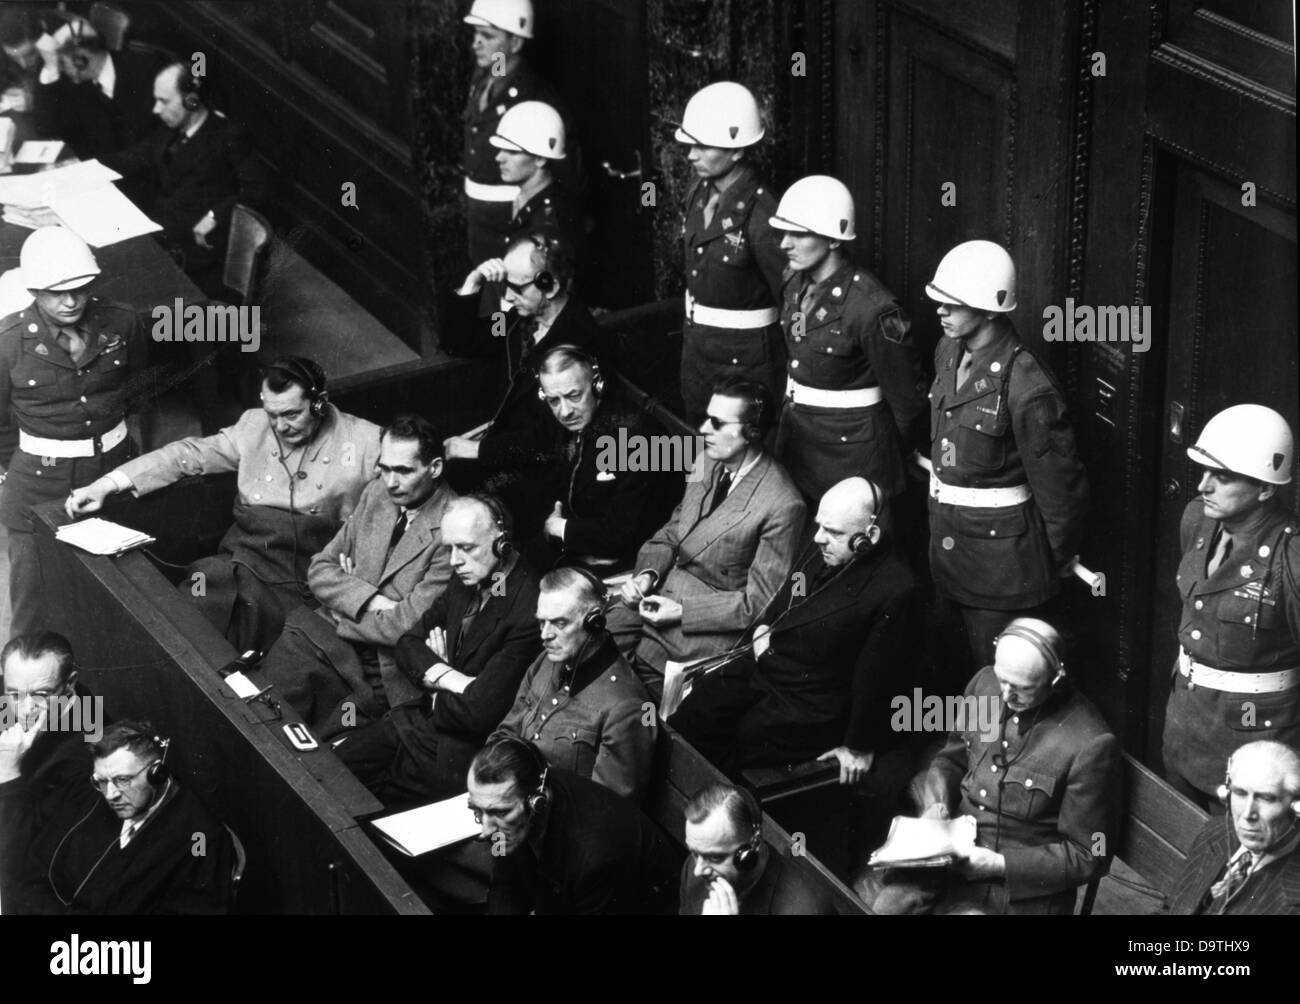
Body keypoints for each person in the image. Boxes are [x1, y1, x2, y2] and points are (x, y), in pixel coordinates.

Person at [65, 357, 382, 653]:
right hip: (242, 553)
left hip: (302, 571)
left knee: (262, 634)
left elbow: (401, 514)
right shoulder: (253, 425)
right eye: (272, 414)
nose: (280, 427)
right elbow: (188, 455)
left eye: (291, 414)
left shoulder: (367, 443)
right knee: (192, 605)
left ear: (319, 403)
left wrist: (361, 577)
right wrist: (106, 484)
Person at [859, 619, 1121, 914]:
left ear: (1056, 679)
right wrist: (938, 805)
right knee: (881, 908)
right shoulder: (985, 684)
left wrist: (999, 864)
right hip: (951, 856)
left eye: (1022, 688)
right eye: (1003, 679)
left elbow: (1089, 856)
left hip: (1017, 889)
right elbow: (952, 758)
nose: (1006, 696)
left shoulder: (1090, 743)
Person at [670, 477, 916, 777]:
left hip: (808, 706)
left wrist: (857, 746)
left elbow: (875, 680)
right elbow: (788, 596)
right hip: (767, 666)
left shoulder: (897, 589)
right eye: (820, 526)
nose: (818, 538)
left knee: (731, 741)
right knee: (694, 712)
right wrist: (763, 628)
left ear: (869, 535)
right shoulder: (828, 545)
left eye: (833, 532)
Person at [924, 240, 1089, 678]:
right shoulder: (948, 351)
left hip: (1003, 572)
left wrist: (1040, 566)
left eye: (954, 303)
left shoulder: (1027, 386)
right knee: (953, 670)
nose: (941, 310)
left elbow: (1062, 497)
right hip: (950, 549)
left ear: (991, 308)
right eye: (941, 300)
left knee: (998, 681)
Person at [605, 377, 805, 699]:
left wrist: (682, 611)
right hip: (653, 596)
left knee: (627, 698)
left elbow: (758, 604)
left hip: (703, 627)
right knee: (585, 649)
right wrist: (646, 575)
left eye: (716, 422)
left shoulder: (782, 504)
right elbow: (674, 530)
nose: (702, 429)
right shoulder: (706, 460)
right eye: (705, 417)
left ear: (752, 432)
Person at [337, 494, 541, 807]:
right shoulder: (466, 578)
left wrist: (434, 689)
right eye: (450, 548)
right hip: (417, 721)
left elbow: (480, 713)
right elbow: (407, 643)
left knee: (372, 808)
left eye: (467, 548)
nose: (455, 560)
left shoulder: (528, 609)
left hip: (458, 752)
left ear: (502, 542)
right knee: (334, 770)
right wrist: (450, 676)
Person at [260, 416, 457, 739]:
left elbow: (406, 626)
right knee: (268, 699)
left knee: (310, 737)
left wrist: (346, 603)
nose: (390, 481)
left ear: (434, 468)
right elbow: (320, 570)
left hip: (384, 668)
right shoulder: (377, 492)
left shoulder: (455, 525)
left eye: (404, 471)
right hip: (328, 638)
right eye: (385, 467)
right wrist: (375, 600)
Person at [0, 227, 147, 635]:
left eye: (80, 289)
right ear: (33, 290)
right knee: (31, 598)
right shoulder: (7, 343)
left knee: (124, 584)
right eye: (55, 292)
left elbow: (138, 391)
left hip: (113, 467)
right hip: (39, 481)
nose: (70, 301)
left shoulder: (123, 322)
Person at [1161, 405, 1300, 807]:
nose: (1204, 486)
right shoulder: (1197, 521)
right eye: (1205, 472)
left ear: (1265, 488)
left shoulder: (1289, 558)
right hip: (1185, 723)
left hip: (1253, 740)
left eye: (1222, 477)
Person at [769, 176, 926, 502]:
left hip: (851, 455)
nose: (784, 244)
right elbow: (799, 344)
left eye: (798, 234)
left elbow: (908, 404)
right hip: (798, 441)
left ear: (834, 240)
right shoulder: (794, 285)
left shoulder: (873, 308)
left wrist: (885, 454)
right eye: (783, 233)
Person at [444, 235, 607, 533]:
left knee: (451, 477)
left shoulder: (577, 342)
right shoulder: (522, 319)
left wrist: (477, 451)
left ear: (551, 286)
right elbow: (463, 342)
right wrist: (474, 283)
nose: (508, 295)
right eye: (505, 284)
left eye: (516, 287)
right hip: (509, 446)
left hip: (546, 469)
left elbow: (548, 438)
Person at [18, 721, 234, 914]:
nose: (110, 794)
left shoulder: (202, 838)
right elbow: (37, 868)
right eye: (101, 781)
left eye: (123, 780)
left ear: (156, 773)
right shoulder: (94, 795)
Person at [102, 62, 272, 292]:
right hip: (160, 229)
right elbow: (138, 155)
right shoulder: (172, 129)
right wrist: (86, 165)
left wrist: (215, 215)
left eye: (164, 101)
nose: (155, 109)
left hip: (195, 249)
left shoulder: (228, 135)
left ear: (191, 100)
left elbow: (260, 190)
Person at [673, 81, 786, 424]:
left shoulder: (763, 214)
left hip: (746, 360)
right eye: (691, 144)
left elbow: (792, 297)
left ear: (738, 151)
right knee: (700, 448)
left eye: (703, 146)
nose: (691, 155)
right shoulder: (698, 191)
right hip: (698, 353)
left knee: (746, 452)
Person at [494, 566, 656, 801]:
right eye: (542, 622)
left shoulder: (626, 706)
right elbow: (507, 731)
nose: (545, 635)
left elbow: (602, 811)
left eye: (559, 623)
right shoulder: (548, 661)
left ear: (594, 622)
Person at [469, 735, 680, 914]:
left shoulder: (595, 857)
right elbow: (507, 885)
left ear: (538, 800)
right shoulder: (522, 802)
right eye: (477, 810)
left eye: (500, 812)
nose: (486, 830)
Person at [525, 344, 673, 575]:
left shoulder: (637, 437)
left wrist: (561, 528)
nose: (565, 412)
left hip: (631, 562)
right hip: (579, 545)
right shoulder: (572, 421)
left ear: (598, 385)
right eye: (553, 400)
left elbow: (629, 534)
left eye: (574, 396)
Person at [461, 0, 563, 267]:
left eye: (488, 36)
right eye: (476, 34)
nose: (476, 44)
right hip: (478, 215)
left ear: (515, 43)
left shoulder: (534, 98)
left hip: (509, 218)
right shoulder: (484, 79)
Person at [0, 633, 94, 911]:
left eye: (41, 696)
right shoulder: (13, 699)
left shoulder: (88, 754)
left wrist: (8, 774)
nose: (25, 709)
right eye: (13, 693)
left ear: (70, 684)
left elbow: (17, 862)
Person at [1168, 741, 1300, 915]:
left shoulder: (1293, 900)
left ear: (1296, 806)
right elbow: (1170, 907)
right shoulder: (1215, 832)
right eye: (1240, 793)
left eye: (1266, 798)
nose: (1247, 813)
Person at [679, 783, 835, 915]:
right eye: (694, 853)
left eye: (715, 857)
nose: (698, 870)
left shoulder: (806, 909)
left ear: (753, 842)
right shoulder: (693, 872)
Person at [33, 17, 160, 159]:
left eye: (62, 62)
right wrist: (50, 70)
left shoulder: (142, 73)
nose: (60, 69)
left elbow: (146, 146)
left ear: (81, 60)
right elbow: (45, 128)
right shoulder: (75, 82)